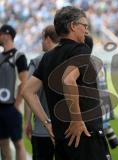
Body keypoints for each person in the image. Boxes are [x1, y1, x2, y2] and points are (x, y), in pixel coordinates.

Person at [22, 6, 110, 160]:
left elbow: (27, 91)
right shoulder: (80, 49)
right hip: (84, 136)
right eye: (84, 26)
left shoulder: (47, 57)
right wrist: (77, 120)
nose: (86, 31)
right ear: (73, 26)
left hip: (61, 137)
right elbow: (68, 80)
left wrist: (47, 123)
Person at [24, 25, 59, 160]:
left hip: (42, 129)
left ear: (47, 38)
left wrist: (27, 122)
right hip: (65, 130)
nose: (41, 42)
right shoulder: (68, 59)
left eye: (42, 39)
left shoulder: (37, 61)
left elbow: (27, 93)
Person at [0, 24, 27, 160]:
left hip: (12, 106)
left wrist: (17, 104)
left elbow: (24, 81)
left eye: (0, 34)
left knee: (18, 143)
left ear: (7, 35)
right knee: (3, 142)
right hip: (0, 106)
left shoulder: (19, 56)